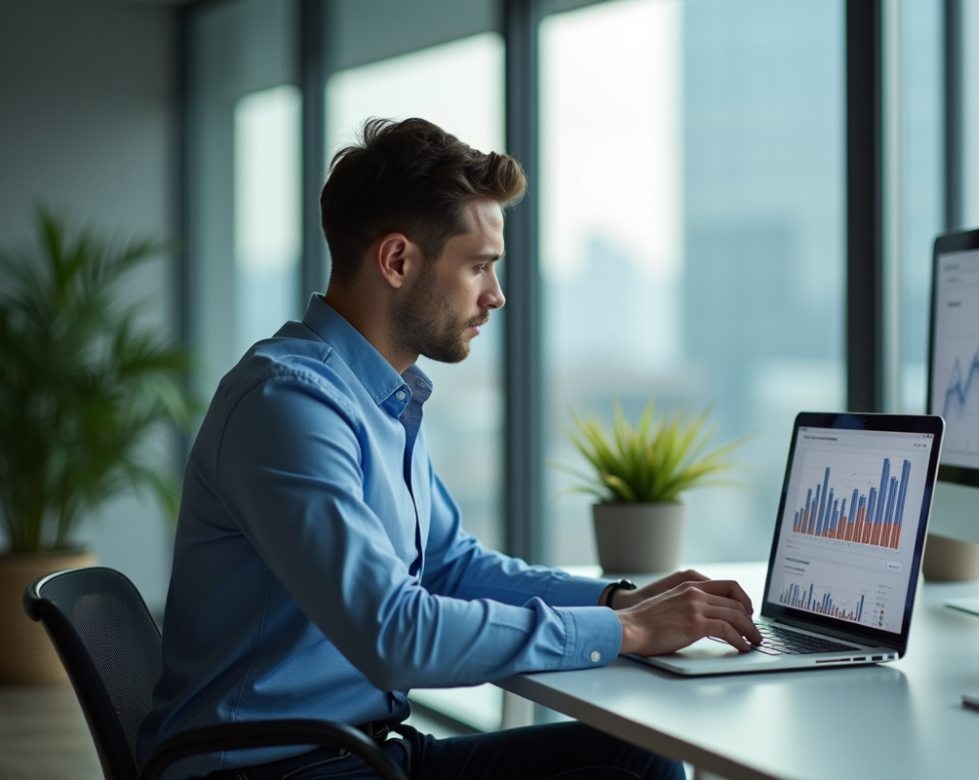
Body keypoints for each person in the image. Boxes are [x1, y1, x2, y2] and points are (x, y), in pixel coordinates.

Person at [139, 117, 762, 780]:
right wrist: (630, 635)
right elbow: (394, 633)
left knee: (638, 755)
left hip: (361, 753)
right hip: (271, 770)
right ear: (398, 261)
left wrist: (617, 602)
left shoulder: (382, 396)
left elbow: (452, 568)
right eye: (478, 267)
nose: (496, 296)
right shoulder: (288, 405)